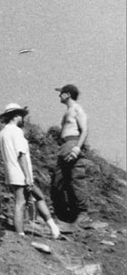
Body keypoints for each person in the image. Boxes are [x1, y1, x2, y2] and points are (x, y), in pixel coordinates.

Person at [0, 103, 61, 239]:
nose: (23, 118)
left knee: (37, 196)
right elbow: (21, 155)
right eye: (21, 115)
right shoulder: (16, 131)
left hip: (11, 172)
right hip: (20, 173)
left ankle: (53, 229)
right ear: (15, 116)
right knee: (21, 202)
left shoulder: (3, 132)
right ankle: (21, 234)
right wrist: (28, 177)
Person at [51, 84, 90, 226]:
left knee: (76, 178)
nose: (59, 95)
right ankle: (64, 215)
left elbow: (84, 130)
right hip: (65, 145)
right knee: (59, 181)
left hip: (73, 143)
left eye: (61, 93)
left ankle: (82, 214)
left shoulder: (76, 109)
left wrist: (77, 149)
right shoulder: (68, 111)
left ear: (67, 94)